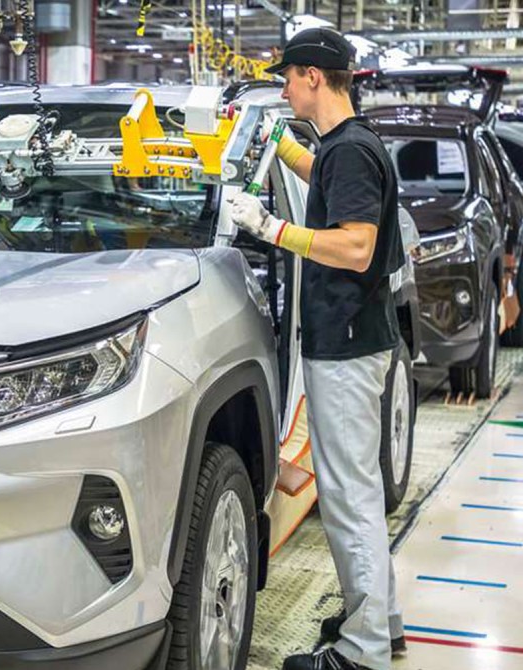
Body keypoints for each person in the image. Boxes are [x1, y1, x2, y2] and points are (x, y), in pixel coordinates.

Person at [225, 29, 406, 670]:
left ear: (312, 77)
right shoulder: (343, 145)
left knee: (348, 498)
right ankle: (379, 623)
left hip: (348, 348)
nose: (283, 90)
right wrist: (277, 143)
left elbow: (356, 246)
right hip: (357, 340)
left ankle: (362, 652)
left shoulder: (351, 150)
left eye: (286, 79)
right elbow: (322, 178)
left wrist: (272, 228)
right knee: (357, 492)